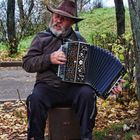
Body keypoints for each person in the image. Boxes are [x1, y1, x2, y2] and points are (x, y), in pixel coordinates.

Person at [22, 0, 123, 140]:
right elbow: (27, 63)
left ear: (71, 23)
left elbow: (92, 71)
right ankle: (35, 137)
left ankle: (86, 137)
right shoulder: (41, 38)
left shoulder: (79, 40)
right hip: (48, 87)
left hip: (73, 89)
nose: (57, 20)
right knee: (35, 99)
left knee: (87, 94)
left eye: (63, 19)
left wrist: (111, 84)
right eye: (57, 16)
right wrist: (49, 58)